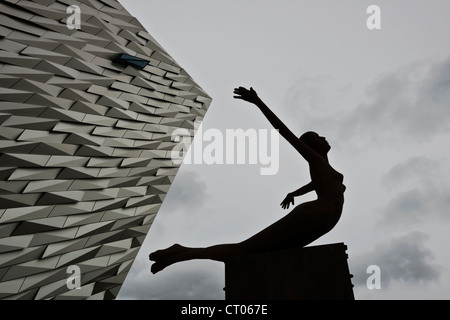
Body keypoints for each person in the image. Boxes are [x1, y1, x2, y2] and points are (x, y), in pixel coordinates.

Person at [149, 86, 345, 274]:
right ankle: (180, 254)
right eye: (318, 137)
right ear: (311, 145)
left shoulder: (323, 168)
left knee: (263, 253)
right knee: (244, 249)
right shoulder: (316, 161)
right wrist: (258, 102)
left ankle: (180, 251)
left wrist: (294, 193)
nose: (323, 137)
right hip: (314, 216)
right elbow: (284, 131)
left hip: (323, 221)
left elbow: (319, 184)